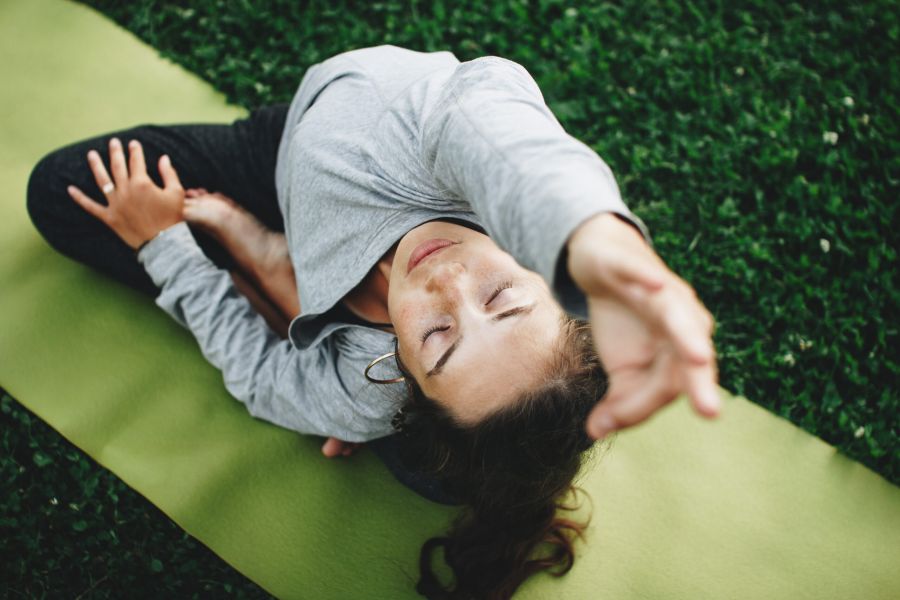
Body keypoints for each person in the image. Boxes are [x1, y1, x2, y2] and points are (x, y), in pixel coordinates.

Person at [26, 45, 719, 599]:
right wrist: (593, 235)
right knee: (64, 191)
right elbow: (491, 124)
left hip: (349, 348)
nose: (446, 282)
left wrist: (163, 246)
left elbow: (263, 377)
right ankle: (283, 271)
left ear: (402, 371)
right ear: (544, 269)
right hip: (286, 159)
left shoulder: (369, 383)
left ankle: (282, 278)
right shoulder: (457, 157)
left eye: (439, 340)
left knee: (433, 469)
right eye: (503, 297)